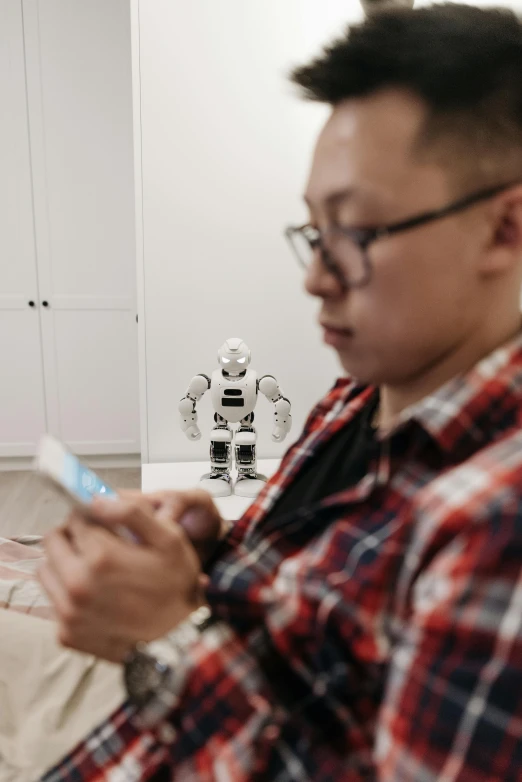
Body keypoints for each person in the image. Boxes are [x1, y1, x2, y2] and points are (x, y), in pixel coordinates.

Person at [40, 4, 522, 780]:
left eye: (357, 235)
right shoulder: (359, 397)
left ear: (506, 230)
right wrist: (210, 554)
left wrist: (173, 637)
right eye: (313, 233)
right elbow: (319, 632)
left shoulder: (499, 526)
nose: (315, 279)